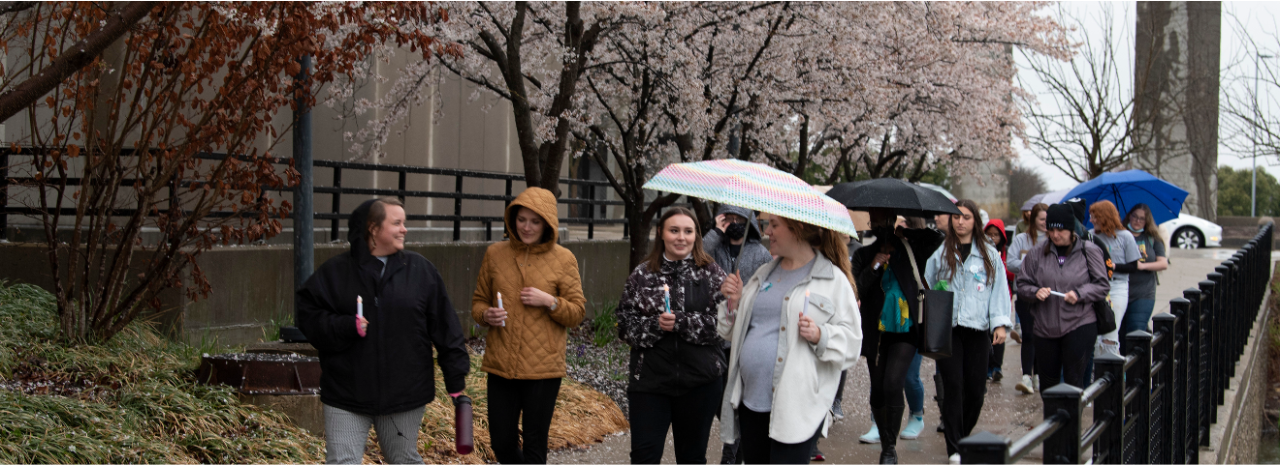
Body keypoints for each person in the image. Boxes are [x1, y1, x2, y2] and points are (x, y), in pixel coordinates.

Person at [297, 198, 471, 465]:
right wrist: (345, 326)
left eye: (405, 223)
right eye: (397, 223)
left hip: (404, 395)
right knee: (341, 461)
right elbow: (308, 318)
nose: (405, 229)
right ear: (373, 229)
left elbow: (446, 328)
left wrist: (456, 382)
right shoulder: (334, 273)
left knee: (403, 459)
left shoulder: (421, 271)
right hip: (346, 393)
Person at [717, 213, 862, 465]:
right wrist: (734, 302)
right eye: (767, 225)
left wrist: (820, 335)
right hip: (751, 402)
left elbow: (852, 343)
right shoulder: (763, 274)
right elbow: (730, 331)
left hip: (797, 407)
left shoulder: (832, 279)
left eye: (774, 225)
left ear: (798, 228)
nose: (767, 232)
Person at [471, 187, 587, 465]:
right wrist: (487, 315)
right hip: (502, 363)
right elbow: (477, 303)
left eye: (535, 221)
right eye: (522, 219)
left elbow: (577, 313)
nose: (527, 227)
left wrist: (550, 301)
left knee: (536, 443)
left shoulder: (564, 258)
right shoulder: (495, 254)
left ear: (547, 223)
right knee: (501, 441)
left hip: (543, 368)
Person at [617, 207, 727, 465]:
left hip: (700, 382)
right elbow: (625, 325)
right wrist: (656, 325)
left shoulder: (711, 273)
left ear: (696, 236)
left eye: (688, 231)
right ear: (661, 233)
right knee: (644, 456)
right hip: (650, 382)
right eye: (674, 230)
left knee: (692, 457)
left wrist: (682, 322)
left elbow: (724, 326)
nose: (681, 237)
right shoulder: (643, 275)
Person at [851, 208, 944, 465]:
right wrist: (874, 266)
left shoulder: (910, 248)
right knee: (878, 390)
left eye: (887, 217)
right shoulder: (863, 254)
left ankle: (889, 448)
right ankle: (884, 438)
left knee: (894, 383)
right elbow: (856, 289)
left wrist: (908, 232)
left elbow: (937, 238)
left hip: (906, 329)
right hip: (876, 332)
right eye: (877, 218)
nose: (882, 223)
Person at [924, 200, 1012, 463]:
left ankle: (962, 436)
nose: (960, 222)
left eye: (966, 217)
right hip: (949, 329)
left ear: (976, 221)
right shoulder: (941, 252)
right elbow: (927, 281)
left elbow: (999, 289)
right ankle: (955, 448)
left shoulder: (988, 253)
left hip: (977, 329)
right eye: (956, 217)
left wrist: (1000, 323)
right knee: (953, 387)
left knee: (975, 390)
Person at [1015, 204, 1110, 390]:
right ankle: (1053, 418)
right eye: (1051, 230)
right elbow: (1023, 284)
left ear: (1071, 229)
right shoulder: (1036, 253)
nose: (1055, 235)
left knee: (1072, 382)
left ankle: (1071, 418)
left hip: (1080, 322)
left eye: (1060, 230)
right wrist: (1035, 292)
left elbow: (1102, 285)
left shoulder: (1088, 250)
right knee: (1048, 385)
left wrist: (1080, 293)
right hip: (1045, 325)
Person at [704, 204, 770, 465]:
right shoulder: (715, 247)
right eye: (727, 217)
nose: (733, 222)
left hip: (743, 339)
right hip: (714, 336)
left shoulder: (761, 254)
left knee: (738, 404)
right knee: (722, 403)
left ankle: (730, 457)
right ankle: (737, 450)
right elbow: (694, 256)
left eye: (738, 217)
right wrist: (714, 232)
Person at [1088, 200, 1141, 358]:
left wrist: (1112, 266)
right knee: (1095, 333)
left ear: (1103, 217)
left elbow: (1133, 266)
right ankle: (1096, 372)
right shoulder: (1090, 236)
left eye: (1094, 217)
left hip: (1117, 287)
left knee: (1111, 330)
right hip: (1096, 287)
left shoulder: (1125, 237)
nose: (1091, 220)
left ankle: (1113, 371)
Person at [1007, 203, 1049, 394]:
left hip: (1046, 295)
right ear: (1033, 220)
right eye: (1041, 219)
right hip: (1025, 293)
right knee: (1028, 334)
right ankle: (1027, 376)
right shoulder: (1022, 239)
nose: (1045, 223)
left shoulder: (1053, 239)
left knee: (1043, 335)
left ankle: (1040, 373)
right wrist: (1031, 264)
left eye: (1048, 220)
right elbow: (1011, 262)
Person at [1122, 203, 1169, 354]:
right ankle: (1120, 371)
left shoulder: (1153, 238)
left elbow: (1163, 263)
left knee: (1136, 329)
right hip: (1120, 291)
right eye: (1135, 216)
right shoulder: (1119, 235)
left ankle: (1136, 374)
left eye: (1142, 219)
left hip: (1144, 293)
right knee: (1120, 334)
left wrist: (1142, 266)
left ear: (1147, 221)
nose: (1137, 221)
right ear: (1129, 216)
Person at [983, 218, 1015, 383]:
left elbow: (1012, 274)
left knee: (999, 332)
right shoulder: (981, 252)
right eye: (989, 234)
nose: (993, 238)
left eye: (996, 235)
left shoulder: (1005, 253)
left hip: (1004, 298)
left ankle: (997, 366)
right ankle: (987, 366)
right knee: (987, 334)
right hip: (985, 299)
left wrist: (1003, 265)